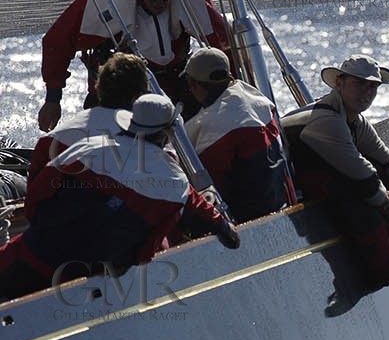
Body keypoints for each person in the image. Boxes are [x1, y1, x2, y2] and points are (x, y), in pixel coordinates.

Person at [0, 94, 240, 302]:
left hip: (30, 256)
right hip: (92, 285)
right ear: (167, 132)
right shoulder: (175, 183)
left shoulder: (87, 148)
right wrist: (222, 226)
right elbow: (152, 246)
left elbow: (36, 200)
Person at [282, 55, 389, 289]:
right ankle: (387, 265)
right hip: (293, 192)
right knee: (355, 189)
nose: (367, 92)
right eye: (359, 83)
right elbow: (362, 175)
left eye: (373, 86)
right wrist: (387, 201)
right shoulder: (326, 119)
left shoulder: (356, 121)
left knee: (374, 181)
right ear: (339, 84)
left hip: (329, 185)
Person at [38, 0, 233, 130]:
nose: (158, 3)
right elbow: (57, 40)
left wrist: (233, 90)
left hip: (174, 78)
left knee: (203, 118)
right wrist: (53, 99)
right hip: (119, 84)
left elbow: (226, 42)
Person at [183, 47, 292, 223]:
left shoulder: (211, 126)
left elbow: (207, 183)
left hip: (248, 217)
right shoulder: (255, 98)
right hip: (280, 201)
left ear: (194, 85)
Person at [27, 51, 149, 185]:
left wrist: (53, 97)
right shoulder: (148, 145)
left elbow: (34, 192)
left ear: (98, 89)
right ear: (140, 97)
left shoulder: (50, 140)